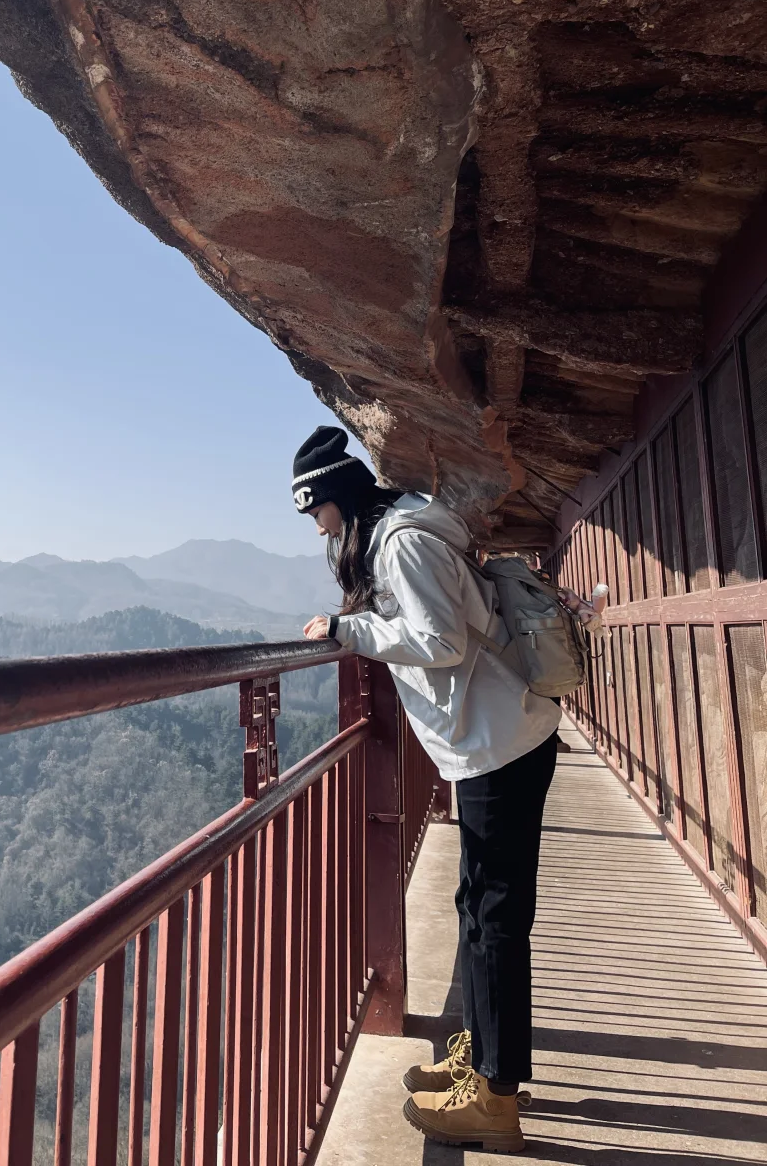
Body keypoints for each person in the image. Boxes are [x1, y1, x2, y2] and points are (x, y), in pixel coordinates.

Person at [292, 425, 562, 1154]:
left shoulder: (403, 544)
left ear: (337, 501)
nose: (316, 526)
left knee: (495, 918)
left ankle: (498, 1097)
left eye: (314, 511)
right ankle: (481, 1059)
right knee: (476, 907)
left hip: (498, 744)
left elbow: (438, 640)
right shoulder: (402, 533)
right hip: (491, 743)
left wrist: (353, 634)